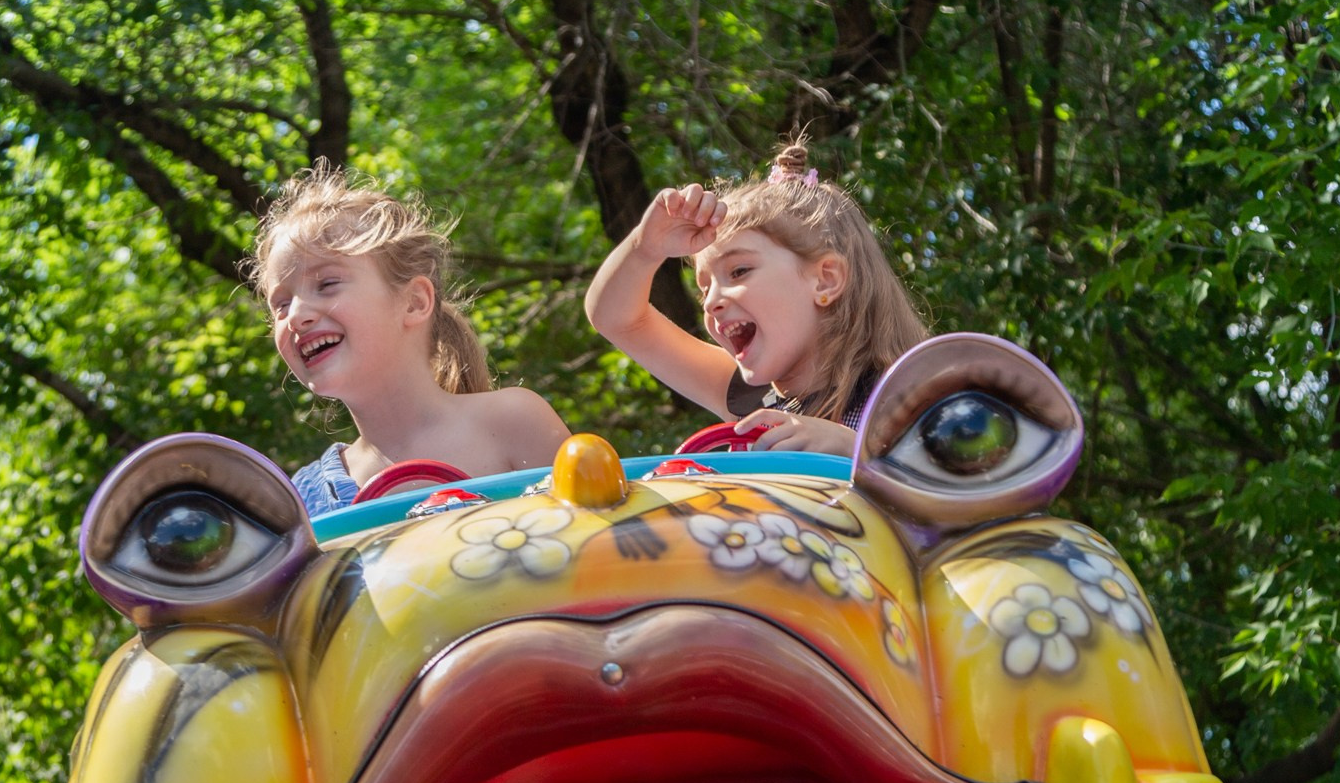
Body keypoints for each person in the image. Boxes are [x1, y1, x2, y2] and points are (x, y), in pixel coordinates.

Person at [253, 165, 570, 515]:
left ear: (414, 302)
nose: (296, 315)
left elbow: (599, 545)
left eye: (327, 284)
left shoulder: (514, 421)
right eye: (281, 304)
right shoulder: (303, 499)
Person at [584, 141, 927, 454]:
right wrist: (645, 248)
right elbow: (615, 319)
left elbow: (963, 495)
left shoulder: (915, 398)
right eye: (704, 287)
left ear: (825, 280)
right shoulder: (748, 397)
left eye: (738, 271)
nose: (710, 301)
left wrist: (858, 452)